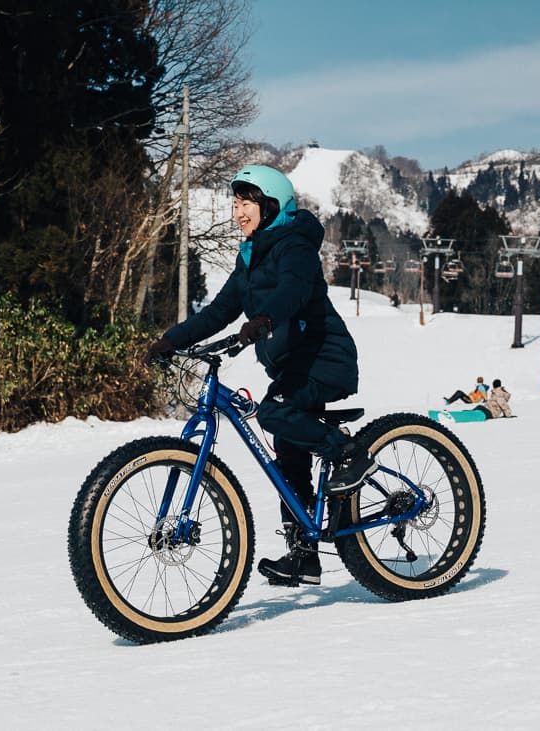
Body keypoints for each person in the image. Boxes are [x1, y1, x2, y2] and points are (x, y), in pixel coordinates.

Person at [144, 164, 375, 587]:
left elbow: (294, 290)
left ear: (270, 205)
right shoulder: (249, 258)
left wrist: (265, 318)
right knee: (288, 455)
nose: (238, 212)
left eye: (246, 203)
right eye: (235, 204)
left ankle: (348, 453)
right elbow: (218, 312)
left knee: (273, 413)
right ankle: (304, 557)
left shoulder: (295, 245)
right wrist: (170, 341)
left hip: (324, 358)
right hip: (292, 367)